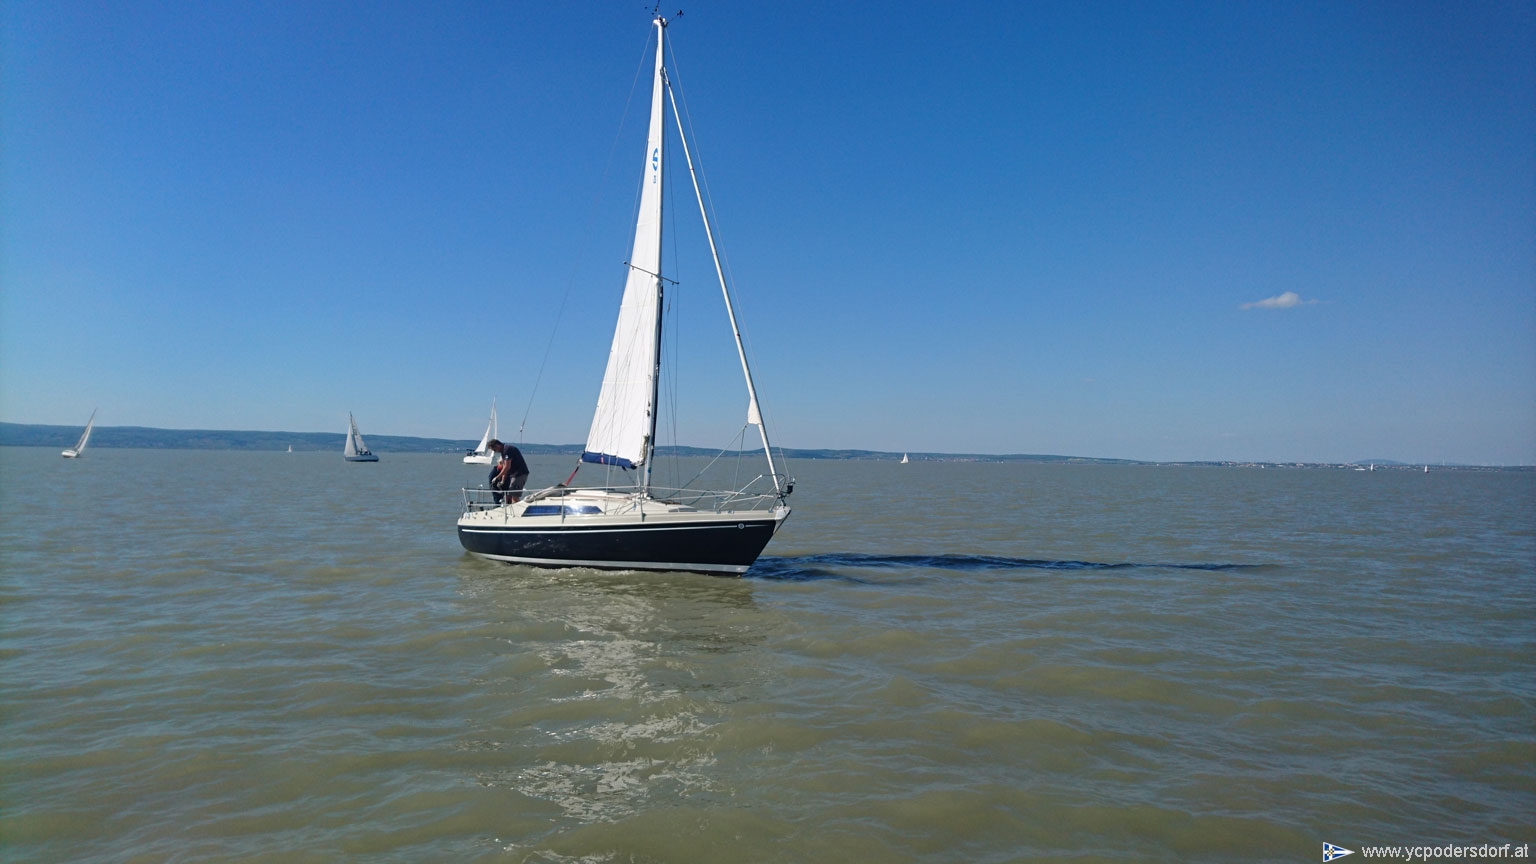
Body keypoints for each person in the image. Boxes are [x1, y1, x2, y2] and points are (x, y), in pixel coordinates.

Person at [487, 439, 530, 504]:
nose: (495, 451)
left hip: (519, 474)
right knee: (509, 496)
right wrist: (502, 481)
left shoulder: (507, 450)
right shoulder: (503, 452)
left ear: (497, 445)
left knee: (514, 497)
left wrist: (497, 477)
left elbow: (507, 467)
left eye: (494, 450)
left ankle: (519, 509)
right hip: (514, 475)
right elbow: (505, 467)